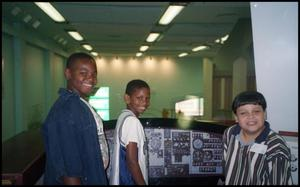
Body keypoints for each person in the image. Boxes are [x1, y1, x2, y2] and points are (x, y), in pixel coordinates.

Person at [41, 52, 109, 185]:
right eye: (83, 73)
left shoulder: (80, 104)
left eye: (94, 74)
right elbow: (69, 170)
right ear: (68, 74)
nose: (91, 79)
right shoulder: (67, 111)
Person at [222, 91, 293, 185]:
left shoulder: (276, 147)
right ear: (236, 117)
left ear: (265, 114)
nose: (251, 116)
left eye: (256, 111)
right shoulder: (229, 133)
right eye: (243, 113)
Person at [110, 79, 150, 185]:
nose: (144, 102)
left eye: (147, 98)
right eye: (139, 98)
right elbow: (132, 161)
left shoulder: (123, 116)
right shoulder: (132, 121)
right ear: (127, 98)